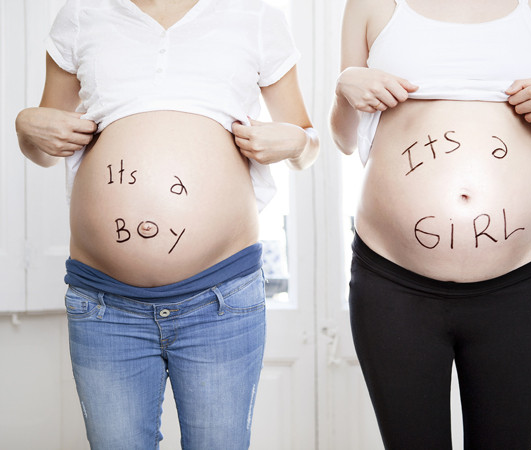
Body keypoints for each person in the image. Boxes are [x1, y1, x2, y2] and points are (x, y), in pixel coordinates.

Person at [15, 0, 318, 448]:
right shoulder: (82, 13)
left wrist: (296, 142)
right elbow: (45, 146)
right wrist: (26, 128)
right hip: (105, 305)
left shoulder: (255, 15)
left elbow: (307, 143)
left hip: (221, 297)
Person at [330, 0, 531, 448]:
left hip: (517, 284)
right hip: (393, 283)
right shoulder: (372, 5)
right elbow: (344, 138)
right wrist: (343, 90)